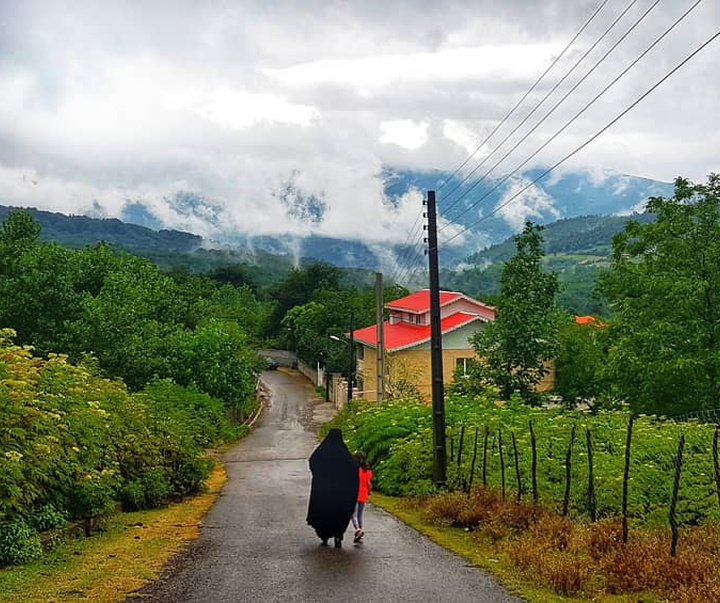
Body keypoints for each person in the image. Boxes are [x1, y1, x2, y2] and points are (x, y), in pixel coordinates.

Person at [306, 428, 359, 548]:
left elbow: (312, 461)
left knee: (323, 513)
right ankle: (338, 536)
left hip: (323, 490)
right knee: (339, 514)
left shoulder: (322, 451)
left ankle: (324, 536)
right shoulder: (344, 453)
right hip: (340, 493)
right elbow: (353, 468)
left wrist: (319, 475)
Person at [351, 451, 372, 543]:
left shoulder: (354, 470)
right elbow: (368, 483)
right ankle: (359, 531)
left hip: (355, 493)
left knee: (353, 514)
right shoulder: (367, 470)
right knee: (360, 514)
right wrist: (369, 491)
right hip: (363, 494)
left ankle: (358, 530)